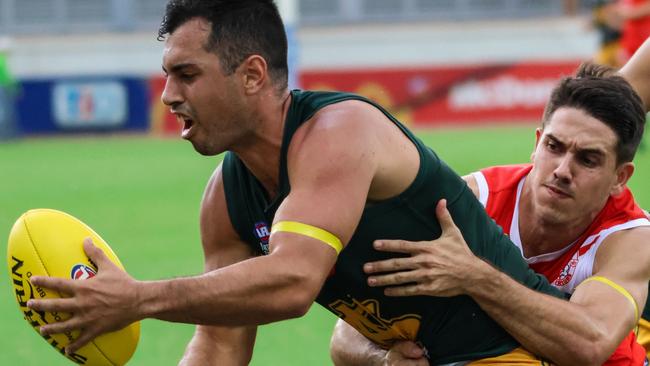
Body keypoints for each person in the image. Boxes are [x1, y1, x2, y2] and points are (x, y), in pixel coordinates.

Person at [23, 1, 575, 365]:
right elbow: (219, 340)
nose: (168, 95)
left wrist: (138, 300)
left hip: (529, 352)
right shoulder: (225, 196)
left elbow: (292, 282)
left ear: (253, 74)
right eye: (167, 75)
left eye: (186, 74)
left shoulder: (341, 131)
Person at [330, 64, 650, 365]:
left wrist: (475, 277)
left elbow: (590, 345)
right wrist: (383, 359)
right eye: (554, 147)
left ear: (620, 178)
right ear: (537, 144)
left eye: (588, 159)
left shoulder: (630, 237)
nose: (563, 170)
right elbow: (345, 338)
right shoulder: (469, 200)